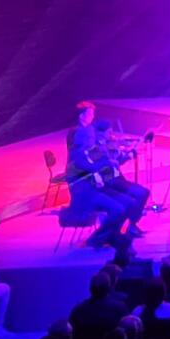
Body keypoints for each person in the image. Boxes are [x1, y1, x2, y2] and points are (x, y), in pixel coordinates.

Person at [64, 102, 137, 250]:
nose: (92, 139)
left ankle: (111, 235)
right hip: (84, 190)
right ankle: (98, 239)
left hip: (96, 186)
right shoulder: (77, 148)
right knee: (118, 209)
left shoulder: (87, 138)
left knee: (128, 203)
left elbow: (95, 155)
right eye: (90, 114)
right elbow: (87, 164)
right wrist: (105, 164)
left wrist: (111, 160)